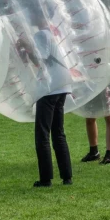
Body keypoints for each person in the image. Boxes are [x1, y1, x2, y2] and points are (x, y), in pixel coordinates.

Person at [30, 23, 73, 187]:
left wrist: (26, 48)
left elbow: (41, 59)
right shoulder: (54, 33)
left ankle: (45, 178)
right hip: (62, 86)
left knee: (42, 134)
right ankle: (67, 176)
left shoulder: (41, 34)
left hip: (49, 88)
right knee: (58, 132)